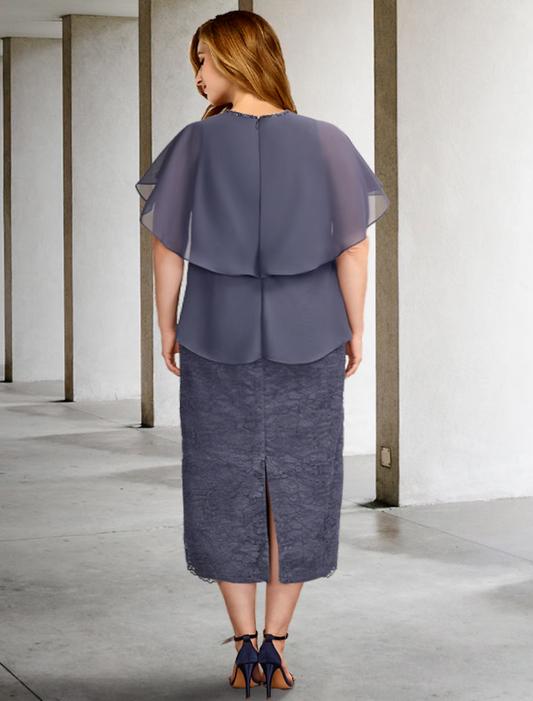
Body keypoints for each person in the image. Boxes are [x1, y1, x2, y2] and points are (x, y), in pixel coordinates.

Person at [136, 10, 389, 700]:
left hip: (214, 333)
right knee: (300, 486)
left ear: (237, 59)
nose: (198, 76)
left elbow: (166, 244)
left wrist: (166, 324)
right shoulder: (326, 140)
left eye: (204, 60)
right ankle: (275, 646)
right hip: (310, 333)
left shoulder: (194, 143)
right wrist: (356, 328)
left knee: (221, 483)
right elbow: (353, 245)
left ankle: (244, 643)